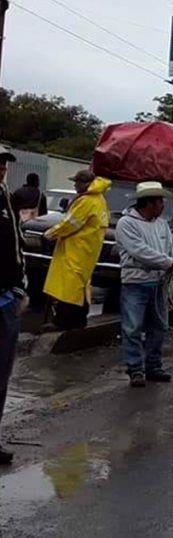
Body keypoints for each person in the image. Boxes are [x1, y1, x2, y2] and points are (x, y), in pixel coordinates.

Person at [115, 182, 173, 388]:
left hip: (158, 283)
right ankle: (135, 369)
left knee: (158, 327)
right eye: (160, 201)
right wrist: (171, 263)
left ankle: (153, 366)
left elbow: (172, 249)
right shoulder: (126, 223)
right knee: (133, 328)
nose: (163, 205)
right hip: (135, 282)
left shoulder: (162, 225)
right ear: (149, 203)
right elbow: (140, 252)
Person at [42, 171, 110, 330]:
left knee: (68, 287)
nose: (74, 185)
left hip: (75, 250)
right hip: (87, 251)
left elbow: (70, 223)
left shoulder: (86, 201)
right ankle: (79, 321)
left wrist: (49, 235)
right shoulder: (99, 200)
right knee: (81, 287)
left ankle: (63, 321)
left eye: (77, 182)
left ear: (85, 183)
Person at [0, 146, 26, 464]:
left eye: (4, 163)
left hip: (6, 298)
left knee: (1, 374)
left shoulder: (6, 197)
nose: (2, 167)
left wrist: (20, 288)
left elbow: (17, 246)